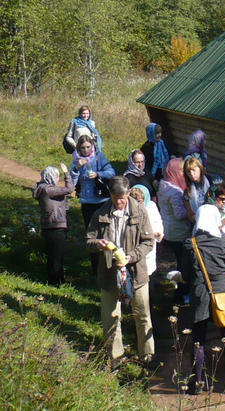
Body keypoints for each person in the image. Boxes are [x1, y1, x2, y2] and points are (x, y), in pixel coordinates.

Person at [85, 176, 155, 364]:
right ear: (110, 195)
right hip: (109, 274)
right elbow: (88, 241)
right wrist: (98, 244)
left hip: (136, 273)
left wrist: (131, 256)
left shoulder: (140, 212)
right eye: (116, 198)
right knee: (110, 318)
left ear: (129, 193)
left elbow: (149, 242)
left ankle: (147, 356)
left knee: (142, 315)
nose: (119, 202)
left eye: (122, 198)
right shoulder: (101, 213)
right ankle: (115, 358)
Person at [183, 204, 225, 393]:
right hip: (223, 293)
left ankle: (196, 382)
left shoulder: (189, 243)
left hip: (200, 295)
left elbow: (186, 275)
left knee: (198, 338)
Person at [71, 134, 115, 275]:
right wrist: (77, 168)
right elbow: (71, 182)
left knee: (106, 232)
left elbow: (111, 172)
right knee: (91, 234)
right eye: (82, 148)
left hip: (101, 201)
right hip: (87, 202)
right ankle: (95, 268)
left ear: (92, 146)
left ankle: (109, 264)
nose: (85, 150)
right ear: (79, 148)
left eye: (88, 147)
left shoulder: (98, 157)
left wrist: (98, 174)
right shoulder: (76, 161)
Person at [32, 163, 76, 285]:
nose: (58, 179)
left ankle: (58, 280)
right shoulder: (48, 189)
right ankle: (55, 282)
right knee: (56, 256)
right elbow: (69, 189)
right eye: (57, 176)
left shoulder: (42, 188)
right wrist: (67, 173)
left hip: (50, 226)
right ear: (50, 176)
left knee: (55, 255)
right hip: (55, 226)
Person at [157, 157, 191, 304]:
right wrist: (192, 211)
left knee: (179, 261)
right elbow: (179, 214)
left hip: (169, 230)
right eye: (182, 171)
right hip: (179, 232)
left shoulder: (163, 185)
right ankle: (182, 294)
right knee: (184, 264)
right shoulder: (175, 191)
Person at [129, 184, 164, 278]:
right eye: (135, 201)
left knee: (149, 268)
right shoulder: (129, 210)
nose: (138, 204)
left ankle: (150, 286)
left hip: (150, 240)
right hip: (135, 244)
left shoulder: (151, 206)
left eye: (140, 201)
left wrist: (158, 231)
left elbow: (157, 220)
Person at [183, 156, 210, 224]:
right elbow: (190, 215)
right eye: (189, 172)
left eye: (193, 170)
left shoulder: (213, 181)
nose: (192, 174)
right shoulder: (187, 193)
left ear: (200, 168)